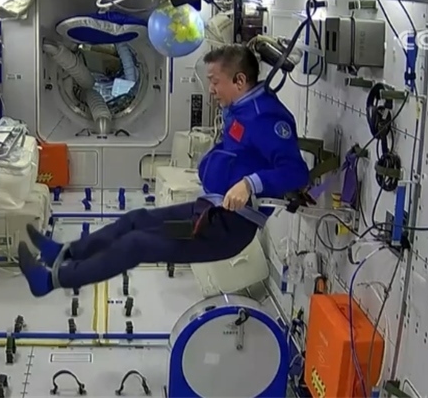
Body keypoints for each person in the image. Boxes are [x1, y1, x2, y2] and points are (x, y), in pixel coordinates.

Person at [16, 44, 310, 297]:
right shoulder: (241, 107)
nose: (210, 90)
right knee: (135, 220)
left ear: (239, 80)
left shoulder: (264, 117)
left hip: (226, 229)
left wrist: (249, 184)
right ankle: (63, 253)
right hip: (207, 212)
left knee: (137, 244)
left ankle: (50, 281)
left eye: (214, 82)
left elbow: (297, 172)